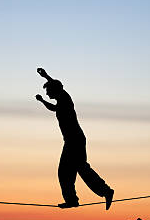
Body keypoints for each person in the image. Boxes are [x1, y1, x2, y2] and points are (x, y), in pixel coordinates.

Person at [35, 67, 114, 210]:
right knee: (73, 170)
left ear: (54, 90)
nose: (46, 94)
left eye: (48, 91)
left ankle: (104, 192)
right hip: (72, 141)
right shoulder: (61, 102)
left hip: (74, 141)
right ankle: (78, 198)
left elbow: (57, 85)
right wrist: (42, 101)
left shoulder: (65, 98)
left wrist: (46, 76)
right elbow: (54, 108)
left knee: (73, 170)